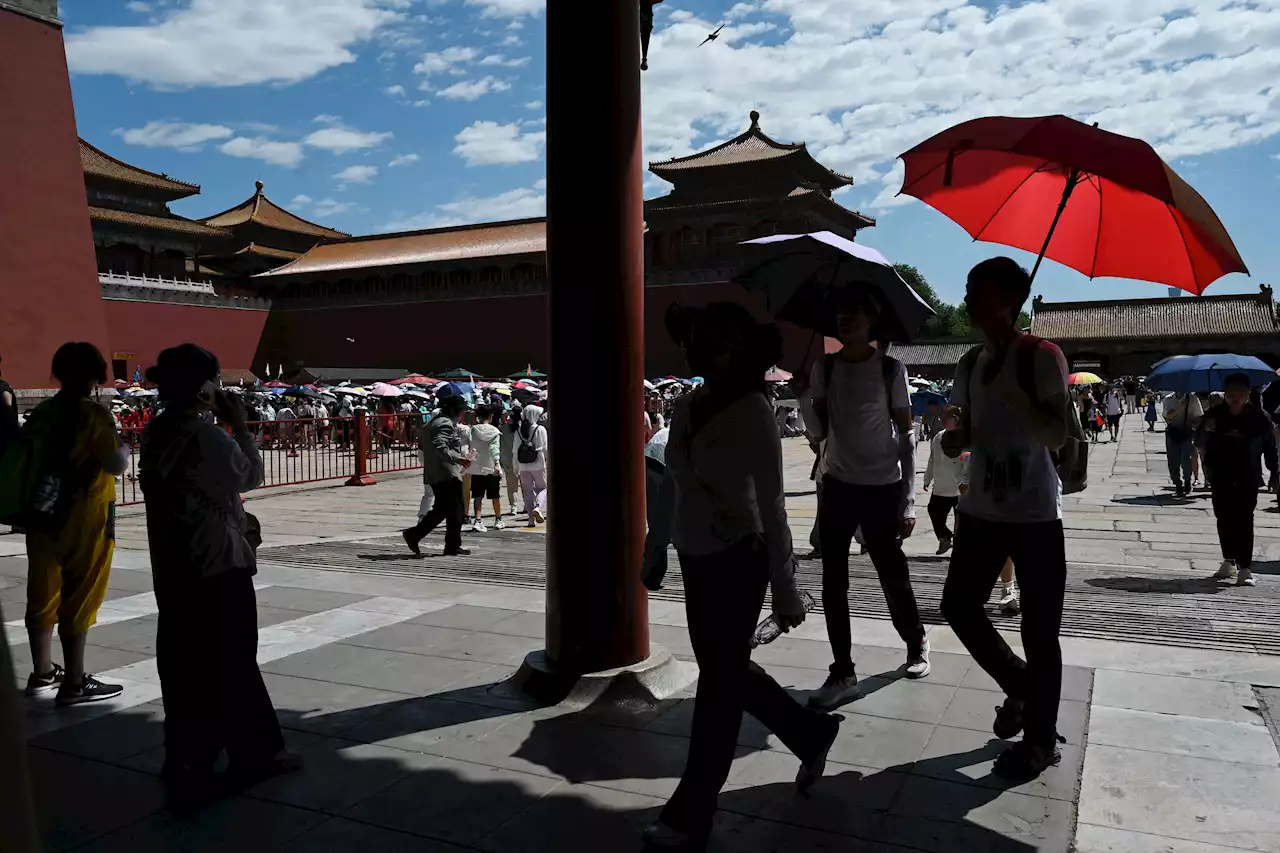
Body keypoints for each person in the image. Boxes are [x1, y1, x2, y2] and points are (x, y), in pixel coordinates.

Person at [643, 302, 840, 851]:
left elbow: (774, 505)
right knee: (723, 668)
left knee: (718, 685)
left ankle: (692, 808)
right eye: (692, 340)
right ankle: (811, 732)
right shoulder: (685, 406)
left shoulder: (754, 410)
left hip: (740, 557)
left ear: (734, 348)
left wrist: (785, 585)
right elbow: (669, 485)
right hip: (696, 556)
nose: (693, 348)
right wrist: (655, 545)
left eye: (706, 339)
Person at [941, 257, 1071, 780]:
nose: (968, 298)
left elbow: (1058, 435)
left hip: (1035, 512)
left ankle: (1040, 741)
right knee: (958, 606)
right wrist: (958, 437)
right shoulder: (971, 362)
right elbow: (972, 429)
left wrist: (1019, 397)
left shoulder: (1043, 356)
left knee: (1041, 630)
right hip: (980, 509)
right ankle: (1021, 685)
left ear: (1007, 301)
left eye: (977, 290)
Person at [139, 344, 291, 792]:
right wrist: (240, 424)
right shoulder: (208, 436)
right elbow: (249, 477)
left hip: (173, 563)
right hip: (217, 562)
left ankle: (188, 753)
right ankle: (255, 753)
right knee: (234, 660)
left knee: (183, 661)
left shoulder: (156, 431)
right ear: (206, 387)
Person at [802, 286, 928, 713]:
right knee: (833, 581)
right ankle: (843, 670)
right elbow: (818, 432)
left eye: (854, 311)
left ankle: (916, 640)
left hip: (881, 487)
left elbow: (907, 437)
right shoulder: (827, 367)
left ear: (873, 320)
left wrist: (908, 502)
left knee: (891, 573)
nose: (845, 318)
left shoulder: (890, 370)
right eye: (840, 310)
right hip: (837, 484)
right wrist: (806, 404)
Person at [19, 343, 129, 705]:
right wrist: (125, 450)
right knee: (81, 592)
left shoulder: (43, 412)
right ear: (97, 375)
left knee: (42, 590)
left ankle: (42, 673)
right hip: (85, 514)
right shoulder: (93, 415)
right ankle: (76, 682)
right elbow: (114, 464)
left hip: (41, 512)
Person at [1203, 374, 1274, 587]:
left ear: (1248, 394)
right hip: (1220, 474)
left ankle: (1245, 567)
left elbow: (1270, 446)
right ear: (1225, 395)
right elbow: (1203, 442)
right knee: (1223, 517)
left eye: (1240, 394)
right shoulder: (1214, 415)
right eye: (1231, 395)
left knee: (1244, 519)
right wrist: (1206, 428)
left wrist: (1274, 471)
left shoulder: (1259, 417)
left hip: (1248, 475)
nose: (1236, 399)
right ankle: (1228, 560)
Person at [402, 393, 472, 556]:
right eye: (461, 411)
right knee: (453, 509)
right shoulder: (445, 424)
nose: (463, 414)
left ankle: (449, 544)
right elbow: (439, 445)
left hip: (437, 473)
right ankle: (416, 535)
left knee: (447, 509)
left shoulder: (436, 421)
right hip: (446, 473)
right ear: (455, 410)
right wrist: (458, 458)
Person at [923, 405, 965, 555]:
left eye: (947, 417)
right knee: (934, 512)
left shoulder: (966, 439)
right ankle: (945, 537)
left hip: (961, 489)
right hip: (942, 487)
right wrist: (927, 478)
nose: (943, 420)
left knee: (964, 523)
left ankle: (960, 549)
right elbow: (932, 459)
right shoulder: (939, 437)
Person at [642, 422, 674, 591]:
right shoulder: (674, 436)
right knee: (662, 528)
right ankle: (652, 573)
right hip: (659, 469)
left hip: (649, 467)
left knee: (658, 526)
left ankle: (652, 571)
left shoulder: (663, 434)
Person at [468, 405, 504, 531]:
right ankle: (498, 519)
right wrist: (497, 463)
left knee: (477, 495)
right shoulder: (495, 431)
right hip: (491, 467)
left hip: (477, 466)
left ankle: (478, 521)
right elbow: (495, 449)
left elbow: (469, 446)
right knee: (495, 495)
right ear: (490, 416)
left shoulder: (473, 430)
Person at [515, 404, 548, 527]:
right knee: (543, 488)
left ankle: (530, 519)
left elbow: (515, 450)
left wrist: (515, 466)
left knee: (528, 491)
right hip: (538, 462)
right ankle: (538, 507)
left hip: (522, 464)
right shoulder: (540, 429)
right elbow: (545, 449)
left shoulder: (518, 429)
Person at [1164, 391, 1203, 497]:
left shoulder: (1193, 399)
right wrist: (1180, 407)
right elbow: (1167, 416)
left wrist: (1194, 426)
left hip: (1188, 432)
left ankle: (1187, 480)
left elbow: (1199, 416)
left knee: (1187, 458)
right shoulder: (1168, 399)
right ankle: (1177, 482)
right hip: (1173, 432)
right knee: (1173, 459)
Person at [499, 404, 521, 509]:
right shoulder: (522, 428)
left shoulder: (503, 428)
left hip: (508, 459)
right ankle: (528, 504)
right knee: (525, 484)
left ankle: (513, 505)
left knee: (511, 484)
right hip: (522, 459)